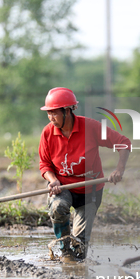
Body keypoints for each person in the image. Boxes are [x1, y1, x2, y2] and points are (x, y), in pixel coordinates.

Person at [38, 87, 131, 263]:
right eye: (48, 113)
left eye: (54, 113)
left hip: (90, 190)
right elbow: (45, 164)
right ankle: (64, 250)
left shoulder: (91, 127)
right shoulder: (48, 133)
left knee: (79, 249)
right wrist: (53, 180)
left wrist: (119, 169)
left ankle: (75, 261)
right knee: (57, 207)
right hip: (63, 187)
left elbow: (123, 143)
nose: (51, 118)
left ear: (67, 110)